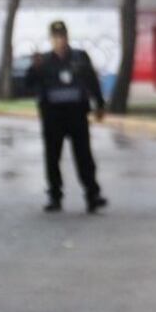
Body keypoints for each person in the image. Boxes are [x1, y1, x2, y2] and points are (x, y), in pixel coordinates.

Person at [26, 20, 109, 213]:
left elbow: (92, 81)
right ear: (51, 39)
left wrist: (100, 104)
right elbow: (28, 84)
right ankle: (55, 196)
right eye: (55, 37)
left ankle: (92, 195)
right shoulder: (44, 61)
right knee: (53, 157)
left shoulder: (80, 58)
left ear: (67, 37)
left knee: (84, 156)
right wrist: (34, 68)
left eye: (62, 36)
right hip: (53, 116)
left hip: (77, 114)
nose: (59, 40)